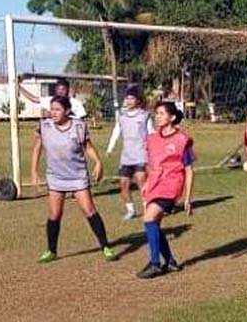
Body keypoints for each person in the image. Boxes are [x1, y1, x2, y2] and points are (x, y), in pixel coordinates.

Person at [30, 95, 116, 263]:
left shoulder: (78, 126)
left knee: (89, 210)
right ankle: (51, 250)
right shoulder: (44, 126)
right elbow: (37, 148)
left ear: (67, 111)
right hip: (56, 177)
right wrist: (34, 171)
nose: (53, 113)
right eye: (51, 109)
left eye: (57, 110)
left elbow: (88, 148)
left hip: (77, 176)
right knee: (55, 214)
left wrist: (98, 162)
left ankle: (106, 246)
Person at [137, 101, 195, 279]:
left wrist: (187, 197)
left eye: (161, 113)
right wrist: (147, 183)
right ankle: (170, 262)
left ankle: (155, 264)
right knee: (154, 223)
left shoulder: (182, 140)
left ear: (172, 117)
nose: (157, 116)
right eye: (157, 113)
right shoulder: (152, 139)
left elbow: (189, 170)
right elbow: (152, 164)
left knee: (149, 218)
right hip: (155, 184)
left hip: (171, 185)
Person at [106, 85, 154, 220]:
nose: (129, 100)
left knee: (141, 181)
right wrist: (110, 148)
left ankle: (147, 208)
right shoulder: (122, 116)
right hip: (126, 157)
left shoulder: (144, 115)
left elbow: (151, 134)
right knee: (123, 184)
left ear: (138, 100)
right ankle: (130, 210)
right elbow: (116, 132)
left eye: (132, 98)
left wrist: (154, 151)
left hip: (141, 155)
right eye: (127, 98)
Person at [21, 78, 87, 120]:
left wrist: (66, 117)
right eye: (58, 89)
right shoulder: (51, 100)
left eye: (63, 89)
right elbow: (34, 99)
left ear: (67, 90)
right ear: (55, 90)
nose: (60, 91)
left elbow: (82, 117)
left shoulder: (75, 102)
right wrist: (18, 86)